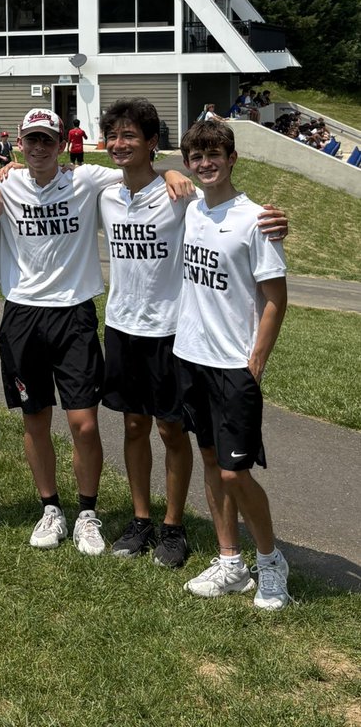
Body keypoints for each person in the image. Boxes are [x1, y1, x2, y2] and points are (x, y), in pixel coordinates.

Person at [98, 99, 287, 568]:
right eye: (114, 136)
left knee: (171, 429)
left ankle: (173, 525)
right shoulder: (102, 191)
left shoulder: (182, 198)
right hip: (121, 326)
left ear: (151, 143)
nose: (121, 145)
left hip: (171, 332)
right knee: (133, 424)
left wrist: (279, 222)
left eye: (131, 136)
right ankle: (141, 518)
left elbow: (235, 213)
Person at [0, 108, 192, 555]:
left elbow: (135, 170)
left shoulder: (88, 181)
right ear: (19, 144)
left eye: (48, 140)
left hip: (75, 314)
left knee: (84, 425)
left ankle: (87, 513)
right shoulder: (4, 185)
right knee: (35, 418)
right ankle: (50, 507)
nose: (40, 148)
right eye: (32, 140)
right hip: (22, 314)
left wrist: (170, 171)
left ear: (64, 144)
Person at [175, 120, 291, 610]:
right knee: (209, 461)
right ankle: (231, 563)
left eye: (214, 154)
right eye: (196, 156)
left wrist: (254, 366)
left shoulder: (256, 219)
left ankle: (271, 564)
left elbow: (275, 301)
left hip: (232, 367)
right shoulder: (193, 210)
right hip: (190, 358)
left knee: (234, 473)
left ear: (232, 157)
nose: (206, 163)